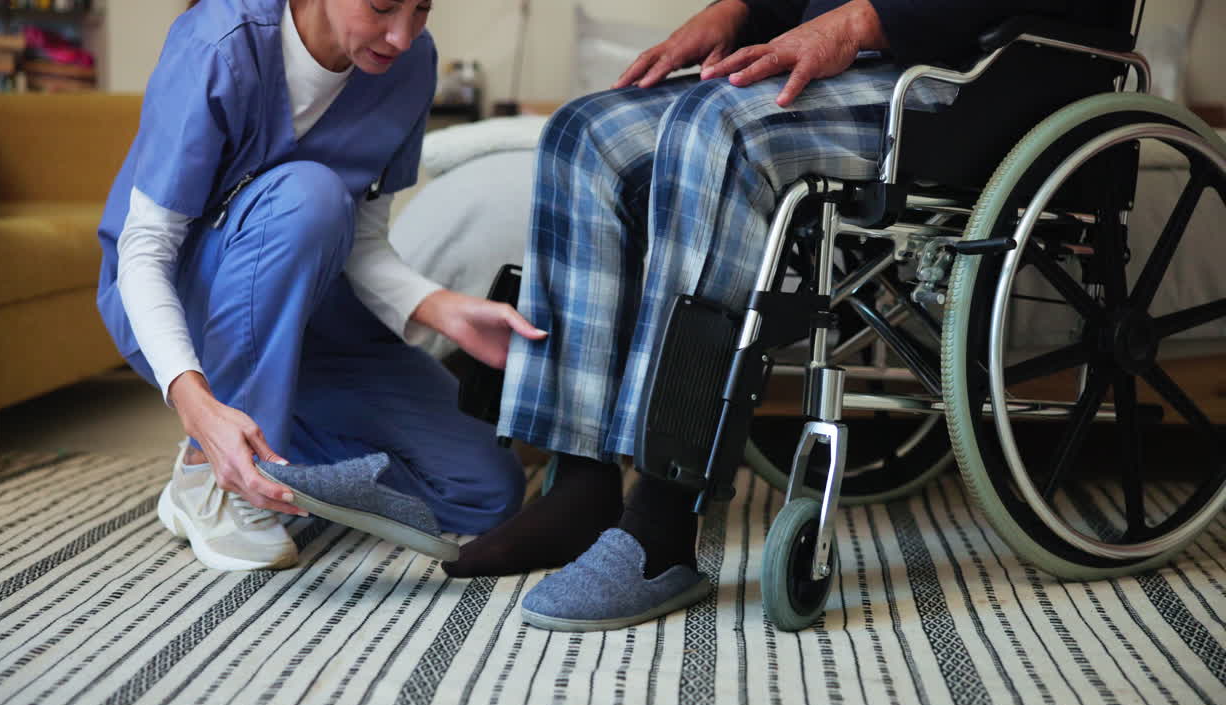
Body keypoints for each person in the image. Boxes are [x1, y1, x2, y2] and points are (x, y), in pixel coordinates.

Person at [440, 0, 1134, 630]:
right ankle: (580, 482)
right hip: (858, 62)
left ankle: (661, 523)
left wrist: (865, 21)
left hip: (978, 76)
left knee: (719, 130)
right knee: (584, 131)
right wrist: (739, 12)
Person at [96, 0, 543, 572]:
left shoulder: (409, 64)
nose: (402, 35)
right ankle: (211, 478)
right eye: (383, 6)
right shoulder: (218, 43)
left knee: (483, 491)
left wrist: (439, 308)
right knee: (308, 196)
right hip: (188, 308)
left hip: (319, 322)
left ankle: (274, 458)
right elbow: (145, 249)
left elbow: (365, 239)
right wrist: (195, 406)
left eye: (422, 9)